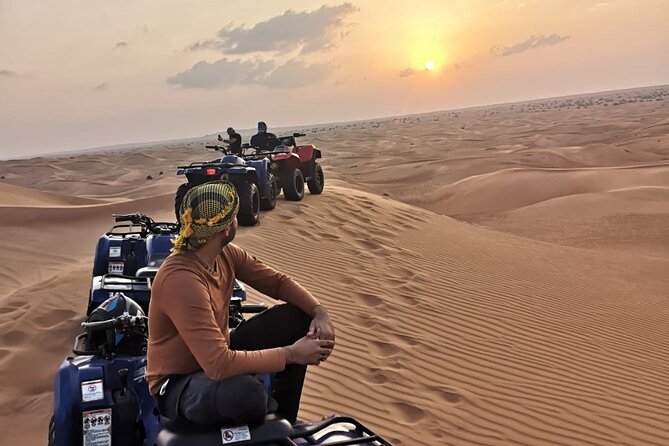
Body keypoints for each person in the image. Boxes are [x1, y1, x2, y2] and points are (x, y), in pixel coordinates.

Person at [146, 180, 335, 427]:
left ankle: (284, 423)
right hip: (179, 383)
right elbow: (218, 365)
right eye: (234, 216)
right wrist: (292, 354)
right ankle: (267, 424)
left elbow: (276, 283)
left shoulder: (224, 254)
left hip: (219, 353)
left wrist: (318, 312)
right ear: (225, 228)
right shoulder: (182, 280)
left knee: (297, 318)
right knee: (247, 395)